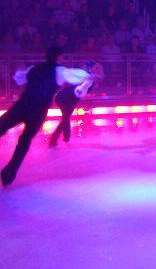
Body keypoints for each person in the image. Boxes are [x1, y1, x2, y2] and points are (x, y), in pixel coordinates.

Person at [0, 46, 92, 186]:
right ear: (59, 57)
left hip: (22, 105)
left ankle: (8, 174)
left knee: (2, 126)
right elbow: (77, 76)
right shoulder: (60, 71)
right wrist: (89, 75)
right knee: (24, 142)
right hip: (38, 111)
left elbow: (19, 78)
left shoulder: (34, 68)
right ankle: (8, 175)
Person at [49, 61, 103, 148]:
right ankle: (63, 139)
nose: (97, 69)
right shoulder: (85, 76)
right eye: (95, 67)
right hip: (65, 98)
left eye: (98, 68)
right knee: (65, 118)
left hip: (71, 99)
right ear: (90, 68)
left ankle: (60, 139)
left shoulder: (90, 79)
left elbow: (83, 88)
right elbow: (81, 85)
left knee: (65, 118)